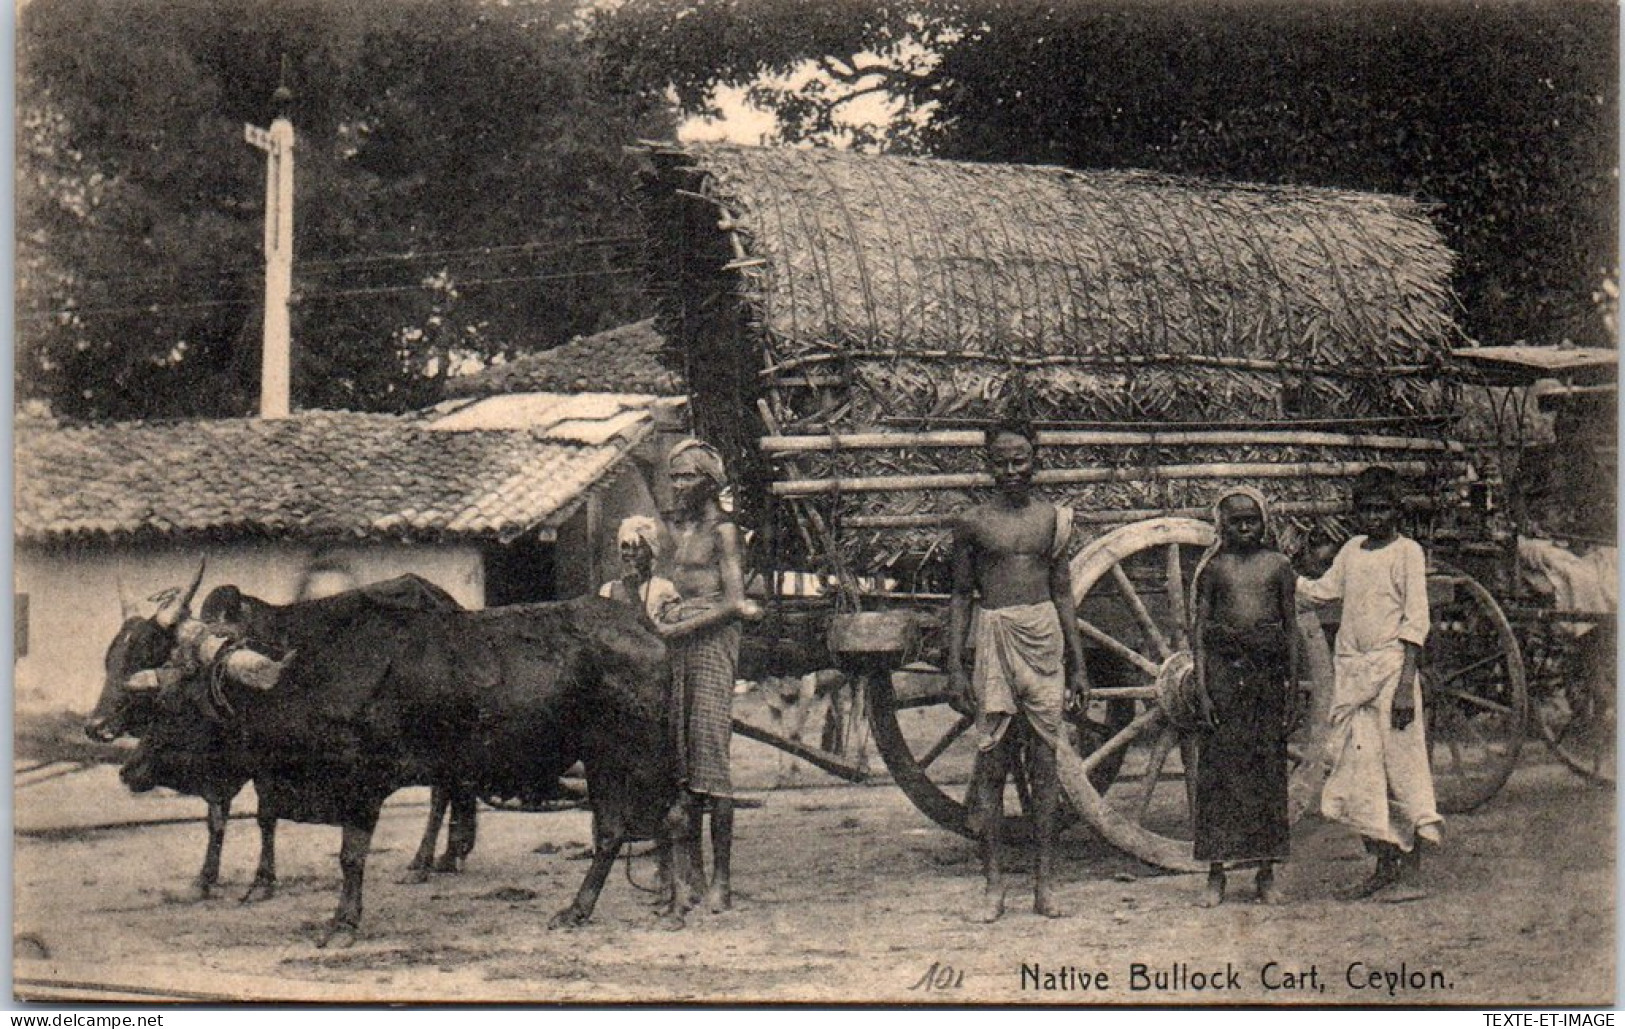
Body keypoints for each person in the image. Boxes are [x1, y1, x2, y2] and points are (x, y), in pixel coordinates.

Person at [947, 418, 1089, 922]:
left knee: (1046, 763)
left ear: (1036, 461)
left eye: (1020, 461)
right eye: (1001, 462)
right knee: (991, 763)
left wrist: (1078, 664)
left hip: (1044, 639)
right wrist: (956, 667)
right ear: (987, 465)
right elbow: (962, 595)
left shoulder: (1053, 519)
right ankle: (993, 887)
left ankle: (1045, 885)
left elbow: (1064, 592)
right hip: (993, 639)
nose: (1011, 471)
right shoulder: (973, 523)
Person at [1297, 466, 1443, 901]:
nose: (1374, 517)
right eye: (1366, 509)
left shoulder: (1407, 553)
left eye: (1382, 509)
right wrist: (1286, 578)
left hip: (1390, 671)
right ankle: (1383, 862)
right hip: (1353, 672)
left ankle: (1410, 869)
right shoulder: (1352, 551)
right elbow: (1324, 591)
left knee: (1401, 764)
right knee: (1360, 767)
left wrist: (1403, 686)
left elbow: (1416, 621)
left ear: (1397, 512)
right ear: (1355, 512)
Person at [657, 439, 761, 913]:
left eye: (687, 477)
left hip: (712, 645)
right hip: (678, 643)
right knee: (681, 760)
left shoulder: (724, 532)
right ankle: (692, 875)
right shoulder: (681, 532)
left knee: (711, 760)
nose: (678, 485)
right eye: (674, 476)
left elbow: (735, 603)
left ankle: (723, 879)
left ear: (709, 482)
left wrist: (681, 625)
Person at [1190, 487, 1300, 906]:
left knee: (1267, 771)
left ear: (1264, 522)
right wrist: (1201, 688)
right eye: (1235, 521)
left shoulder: (1278, 566)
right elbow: (1200, 632)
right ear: (1222, 526)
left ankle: (1265, 872)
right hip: (1222, 675)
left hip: (1266, 677)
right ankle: (1215, 873)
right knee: (1218, 772)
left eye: (1252, 520)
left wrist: (1291, 691)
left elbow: (1290, 630)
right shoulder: (1214, 569)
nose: (1244, 528)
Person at [599, 515, 682, 626]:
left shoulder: (664, 588)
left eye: (637, 547)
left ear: (651, 552)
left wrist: (632, 592)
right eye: (625, 547)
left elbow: (667, 633)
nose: (631, 553)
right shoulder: (608, 589)